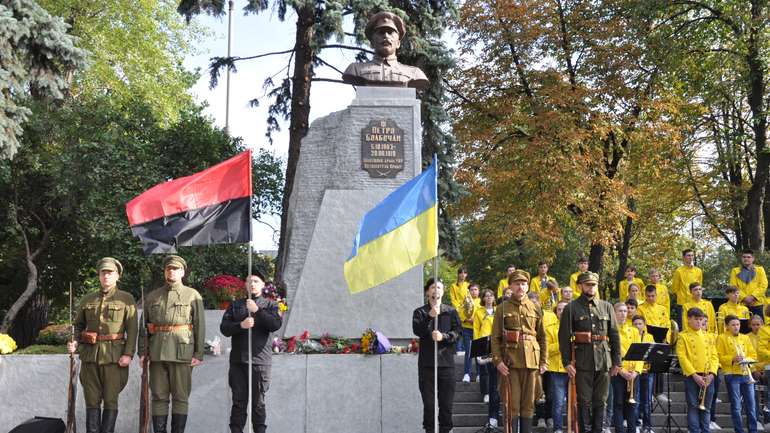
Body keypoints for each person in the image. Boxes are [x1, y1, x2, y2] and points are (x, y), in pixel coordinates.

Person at [68, 257, 137, 433]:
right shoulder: (87, 299)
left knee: (110, 400)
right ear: (99, 275)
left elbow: (133, 330)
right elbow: (78, 326)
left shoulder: (126, 299)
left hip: (114, 357)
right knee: (91, 400)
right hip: (90, 356)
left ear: (117, 276)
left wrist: (128, 354)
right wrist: (74, 341)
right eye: (103, 273)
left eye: (110, 273)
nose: (106, 276)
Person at [139, 255, 206, 433]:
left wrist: (198, 354)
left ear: (182, 272)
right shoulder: (153, 296)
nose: (171, 271)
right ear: (164, 271)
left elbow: (199, 325)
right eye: (169, 268)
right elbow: (143, 327)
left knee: (180, 397)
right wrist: (142, 352)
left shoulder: (192, 295)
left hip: (181, 352)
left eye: (175, 269)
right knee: (158, 396)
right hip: (157, 352)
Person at [558, 272, 621, 433]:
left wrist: (617, 361)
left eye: (593, 285)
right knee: (584, 400)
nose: (591, 287)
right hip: (582, 360)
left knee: (601, 400)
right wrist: (566, 362)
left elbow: (614, 335)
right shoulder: (571, 308)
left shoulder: (606, 306)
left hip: (603, 360)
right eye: (588, 285)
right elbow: (564, 337)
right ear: (580, 286)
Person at [220, 271, 282, 433]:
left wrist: (258, 310)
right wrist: (240, 325)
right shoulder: (236, 305)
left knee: (258, 404)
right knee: (238, 403)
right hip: (238, 363)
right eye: (249, 281)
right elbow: (224, 329)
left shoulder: (271, 305)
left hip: (259, 363)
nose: (252, 284)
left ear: (263, 284)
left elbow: (275, 324)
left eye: (256, 281)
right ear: (245, 285)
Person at [491, 270, 547, 433]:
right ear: (511, 286)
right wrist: (498, 361)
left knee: (528, 405)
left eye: (523, 284)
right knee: (511, 404)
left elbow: (542, 337)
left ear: (528, 286)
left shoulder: (535, 307)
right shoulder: (502, 308)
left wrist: (543, 361)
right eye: (517, 284)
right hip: (511, 362)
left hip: (532, 362)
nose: (520, 287)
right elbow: (495, 338)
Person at [412, 278, 462, 433]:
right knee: (429, 405)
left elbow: (458, 332)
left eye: (439, 287)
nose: (436, 290)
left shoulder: (451, 311)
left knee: (446, 405)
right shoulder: (420, 312)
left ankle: (446, 430)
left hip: (446, 364)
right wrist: (429, 316)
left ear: (443, 291)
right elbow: (417, 331)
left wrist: (444, 337)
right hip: (427, 365)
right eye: (433, 287)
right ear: (428, 291)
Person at [341, 11, 429, 89]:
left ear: (398, 43)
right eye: (381, 32)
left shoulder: (414, 73)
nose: (386, 36)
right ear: (372, 43)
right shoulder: (355, 69)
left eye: (390, 32)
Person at [677, 307, 718, 433]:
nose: (699, 322)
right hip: (692, 376)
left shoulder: (709, 336)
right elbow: (682, 357)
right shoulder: (683, 336)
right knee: (693, 406)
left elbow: (714, 356)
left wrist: (712, 374)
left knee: (706, 407)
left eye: (701, 319)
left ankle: (705, 430)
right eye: (696, 319)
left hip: (708, 376)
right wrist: (694, 375)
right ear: (688, 319)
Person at [716, 314, 758, 433]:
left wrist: (747, 358)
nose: (736, 327)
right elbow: (719, 356)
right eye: (733, 325)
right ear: (727, 326)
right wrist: (732, 358)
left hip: (746, 373)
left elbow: (753, 355)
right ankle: (739, 430)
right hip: (731, 374)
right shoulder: (721, 338)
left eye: (738, 324)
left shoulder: (745, 338)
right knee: (736, 406)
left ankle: (753, 430)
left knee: (751, 404)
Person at [611, 303, 641, 433]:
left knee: (632, 404)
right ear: (614, 313)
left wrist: (636, 371)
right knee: (618, 404)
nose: (623, 313)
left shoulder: (634, 331)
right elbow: (609, 352)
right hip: (618, 372)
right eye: (620, 311)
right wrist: (621, 370)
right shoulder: (610, 331)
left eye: (625, 311)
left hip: (633, 373)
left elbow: (641, 353)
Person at [473, 288, 500, 427]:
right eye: (486, 296)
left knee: (498, 383)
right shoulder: (479, 312)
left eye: (491, 296)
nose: (489, 298)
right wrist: (477, 351)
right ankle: (492, 416)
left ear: (494, 298)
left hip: (499, 348)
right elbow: (476, 332)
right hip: (484, 346)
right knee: (491, 380)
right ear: (483, 299)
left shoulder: (499, 310)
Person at [547, 301, 569, 433]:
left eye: (565, 309)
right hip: (557, 370)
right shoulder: (549, 328)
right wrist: (562, 344)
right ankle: (558, 429)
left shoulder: (577, 327)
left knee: (577, 403)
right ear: (556, 312)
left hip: (575, 369)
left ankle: (574, 427)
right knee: (558, 403)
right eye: (559, 309)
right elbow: (547, 349)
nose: (562, 312)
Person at [632, 315, 657, 433]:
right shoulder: (631, 335)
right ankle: (636, 423)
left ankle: (647, 426)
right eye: (635, 324)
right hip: (635, 372)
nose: (637, 326)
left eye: (640, 324)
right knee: (635, 399)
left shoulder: (650, 337)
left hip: (647, 372)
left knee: (647, 400)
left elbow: (652, 353)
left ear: (644, 325)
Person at [730, 249, 769, 319]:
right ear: (741, 258)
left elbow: (763, 285)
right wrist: (745, 298)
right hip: (742, 305)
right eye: (744, 257)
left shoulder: (760, 269)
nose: (746, 259)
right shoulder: (735, 271)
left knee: (758, 327)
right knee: (743, 327)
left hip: (757, 303)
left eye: (748, 257)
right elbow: (733, 286)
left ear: (753, 259)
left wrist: (753, 297)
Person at [672, 249, 703, 325]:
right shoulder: (678, 271)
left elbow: (700, 286)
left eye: (692, 255)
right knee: (682, 325)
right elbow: (674, 289)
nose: (691, 257)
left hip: (695, 302)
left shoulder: (698, 271)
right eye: (688, 255)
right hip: (682, 303)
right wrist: (681, 296)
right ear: (683, 257)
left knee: (697, 324)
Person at [459, 283, 481, 382]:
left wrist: (475, 321)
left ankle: (479, 374)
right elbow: (460, 313)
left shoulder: (481, 302)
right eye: (471, 289)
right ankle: (466, 374)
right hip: (467, 329)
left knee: (478, 353)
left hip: (478, 330)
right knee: (468, 352)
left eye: (475, 289)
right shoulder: (466, 301)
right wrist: (467, 319)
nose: (473, 291)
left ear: (479, 291)